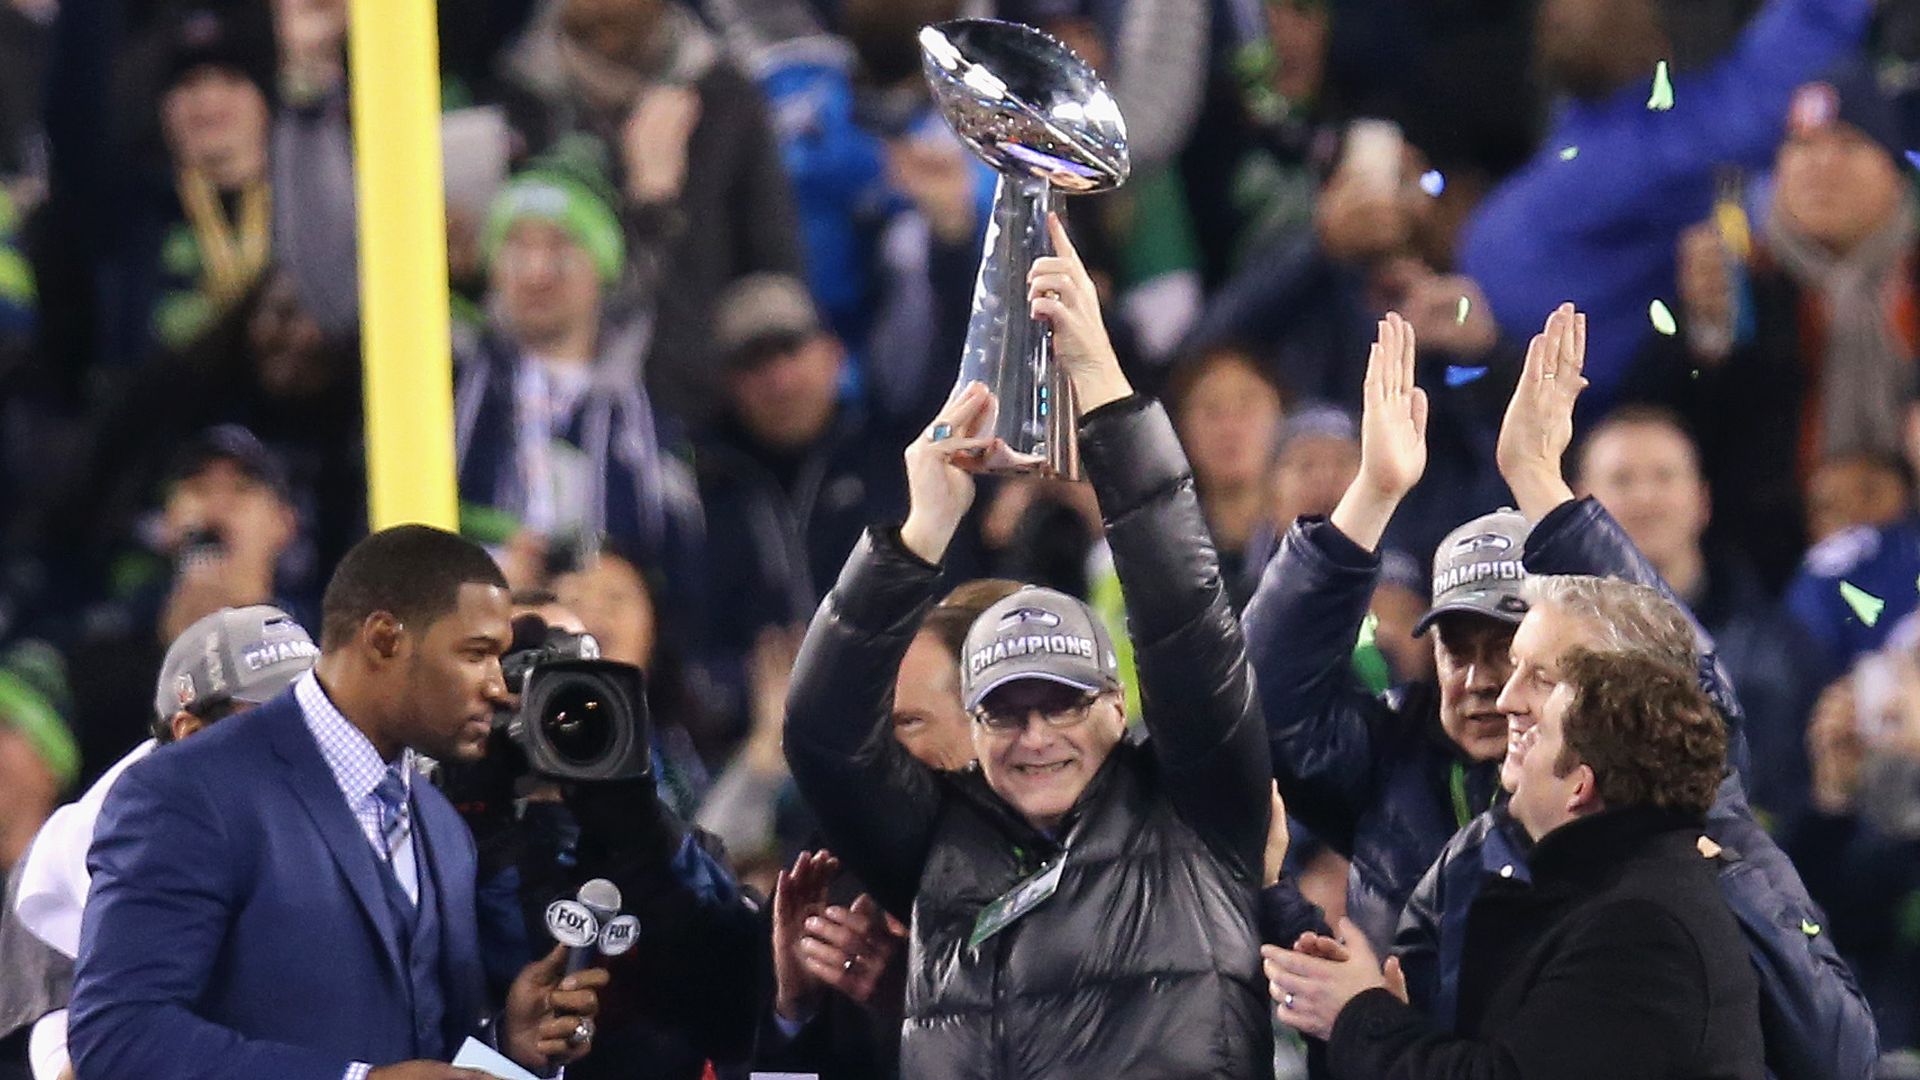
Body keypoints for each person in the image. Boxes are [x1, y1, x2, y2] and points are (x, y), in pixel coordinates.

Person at [784, 213, 1272, 1077]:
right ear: (969, 729)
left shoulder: (1199, 811)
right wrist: (920, 530)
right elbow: (823, 736)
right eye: (1005, 712)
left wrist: (1107, 394)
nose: (1037, 733)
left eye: (1064, 701)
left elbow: (1186, 621)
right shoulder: (938, 840)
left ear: (1119, 706)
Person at [66, 525, 608, 1080]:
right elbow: (119, 1036)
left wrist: (507, 1044)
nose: (499, 688)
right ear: (383, 640)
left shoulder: (444, 829)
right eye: (476, 655)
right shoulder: (190, 787)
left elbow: (419, 1054)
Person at [1267, 649, 1763, 1080]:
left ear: (1580, 787)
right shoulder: (1595, 892)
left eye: (1536, 735)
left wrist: (1360, 1014)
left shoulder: (1643, 927)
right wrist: (1380, 1014)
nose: (1510, 726)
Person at [1458, 0, 1874, 413]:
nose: (1566, 11)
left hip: (1610, 418)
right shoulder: (1605, 147)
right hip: (1563, 423)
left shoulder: (1655, 149)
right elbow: (1756, 104)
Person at [10, 605, 316, 1080]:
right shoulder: (111, 835)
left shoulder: (385, 789)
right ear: (192, 734)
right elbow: (82, 1027)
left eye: (317, 711)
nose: (306, 740)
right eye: (273, 717)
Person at [499, 0, 804, 424]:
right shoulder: (515, 97)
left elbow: (773, 274)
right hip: (531, 409)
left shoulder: (723, 96)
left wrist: (659, 206)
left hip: (691, 411)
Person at [696, 271, 969, 733]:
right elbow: (700, 641)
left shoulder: (895, 457)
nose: (778, 379)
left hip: (907, 713)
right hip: (758, 737)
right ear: (728, 383)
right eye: (753, 362)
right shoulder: (706, 487)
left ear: (833, 354)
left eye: (790, 349)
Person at [454, 152, 703, 612]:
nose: (535, 272)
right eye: (516, 248)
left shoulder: (649, 410)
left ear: (602, 264)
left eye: (561, 249)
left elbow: (677, 562)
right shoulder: (451, 375)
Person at [1572, 406, 1824, 819]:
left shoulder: (1780, 647)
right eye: (1622, 480)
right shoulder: (1543, 643)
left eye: (1664, 477)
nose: (1645, 498)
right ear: (1580, 501)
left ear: (1702, 500)